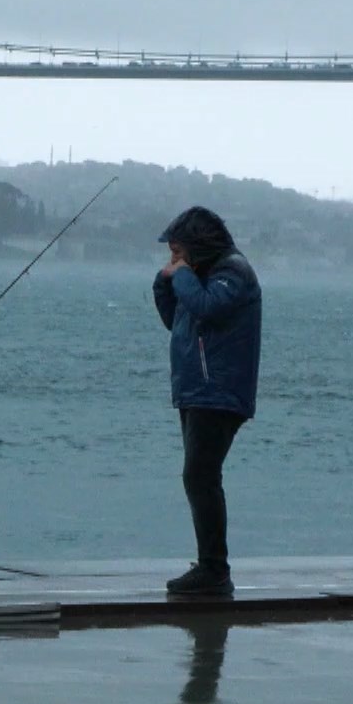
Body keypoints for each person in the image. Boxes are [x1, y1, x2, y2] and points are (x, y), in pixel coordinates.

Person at [152, 207, 261, 596]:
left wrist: (180, 275)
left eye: (180, 252)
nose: (175, 260)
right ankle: (211, 565)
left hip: (219, 392)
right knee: (199, 475)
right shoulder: (199, 276)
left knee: (200, 475)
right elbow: (176, 317)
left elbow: (208, 308)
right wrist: (166, 282)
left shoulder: (233, 272)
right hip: (196, 388)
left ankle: (214, 569)